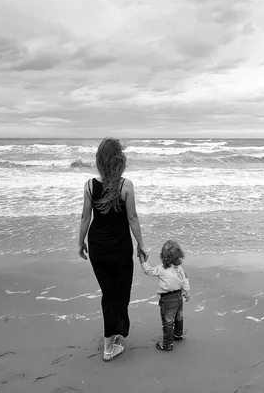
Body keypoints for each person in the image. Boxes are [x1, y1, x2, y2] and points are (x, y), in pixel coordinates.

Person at [78, 138, 148, 362]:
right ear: (119, 160)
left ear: (99, 161)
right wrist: (141, 244)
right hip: (120, 247)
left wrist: (81, 242)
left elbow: (85, 218)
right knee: (119, 292)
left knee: (109, 292)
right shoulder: (125, 185)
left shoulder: (90, 185)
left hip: (98, 247)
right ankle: (109, 346)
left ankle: (117, 334)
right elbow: (132, 218)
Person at [139, 240, 190, 351]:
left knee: (168, 321)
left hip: (167, 299)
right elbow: (185, 280)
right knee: (179, 317)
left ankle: (167, 344)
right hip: (179, 296)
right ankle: (178, 335)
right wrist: (186, 292)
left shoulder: (161, 269)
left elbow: (149, 271)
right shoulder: (179, 269)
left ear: (163, 257)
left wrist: (142, 260)